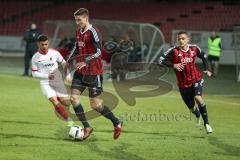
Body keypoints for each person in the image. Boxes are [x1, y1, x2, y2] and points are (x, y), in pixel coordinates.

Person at [70, 8, 123, 140]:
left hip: (93, 72)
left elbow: (99, 52)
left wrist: (86, 61)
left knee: (95, 105)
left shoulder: (94, 32)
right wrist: (67, 61)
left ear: (86, 18)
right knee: (73, 99)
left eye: (79, 20)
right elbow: (77, 48)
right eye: (76, 20)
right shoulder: (78, 32)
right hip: (80, 72)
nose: (77, 22)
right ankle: (87, 127)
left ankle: (116, 122)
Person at [159, 31, 213, 134]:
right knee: (191, 107)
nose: (181, 40)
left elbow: (204, 56)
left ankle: (207, 124)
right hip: (183, 85)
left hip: (196, 79)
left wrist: (207, 69)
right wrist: (173, 65)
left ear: (188, 39)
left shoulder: (194, 48)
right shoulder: (173, 51)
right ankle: (197, 114)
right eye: (179, 39)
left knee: (198, 97)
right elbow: (161, 60)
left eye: (183, 38)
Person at [31, 34, 74, 127]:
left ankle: (62, 98)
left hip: (57, 81)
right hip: (45, 83)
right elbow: (34, 74)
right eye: (42, 44)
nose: (44, 46)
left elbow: (64, 63)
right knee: (54, 101)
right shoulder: (35, 58)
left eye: (46, 44)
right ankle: (69, 120)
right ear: (38, 44)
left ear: (48, 43)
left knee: (65, 102)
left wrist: (68, 76)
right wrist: (47, 76)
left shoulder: (55, 53)